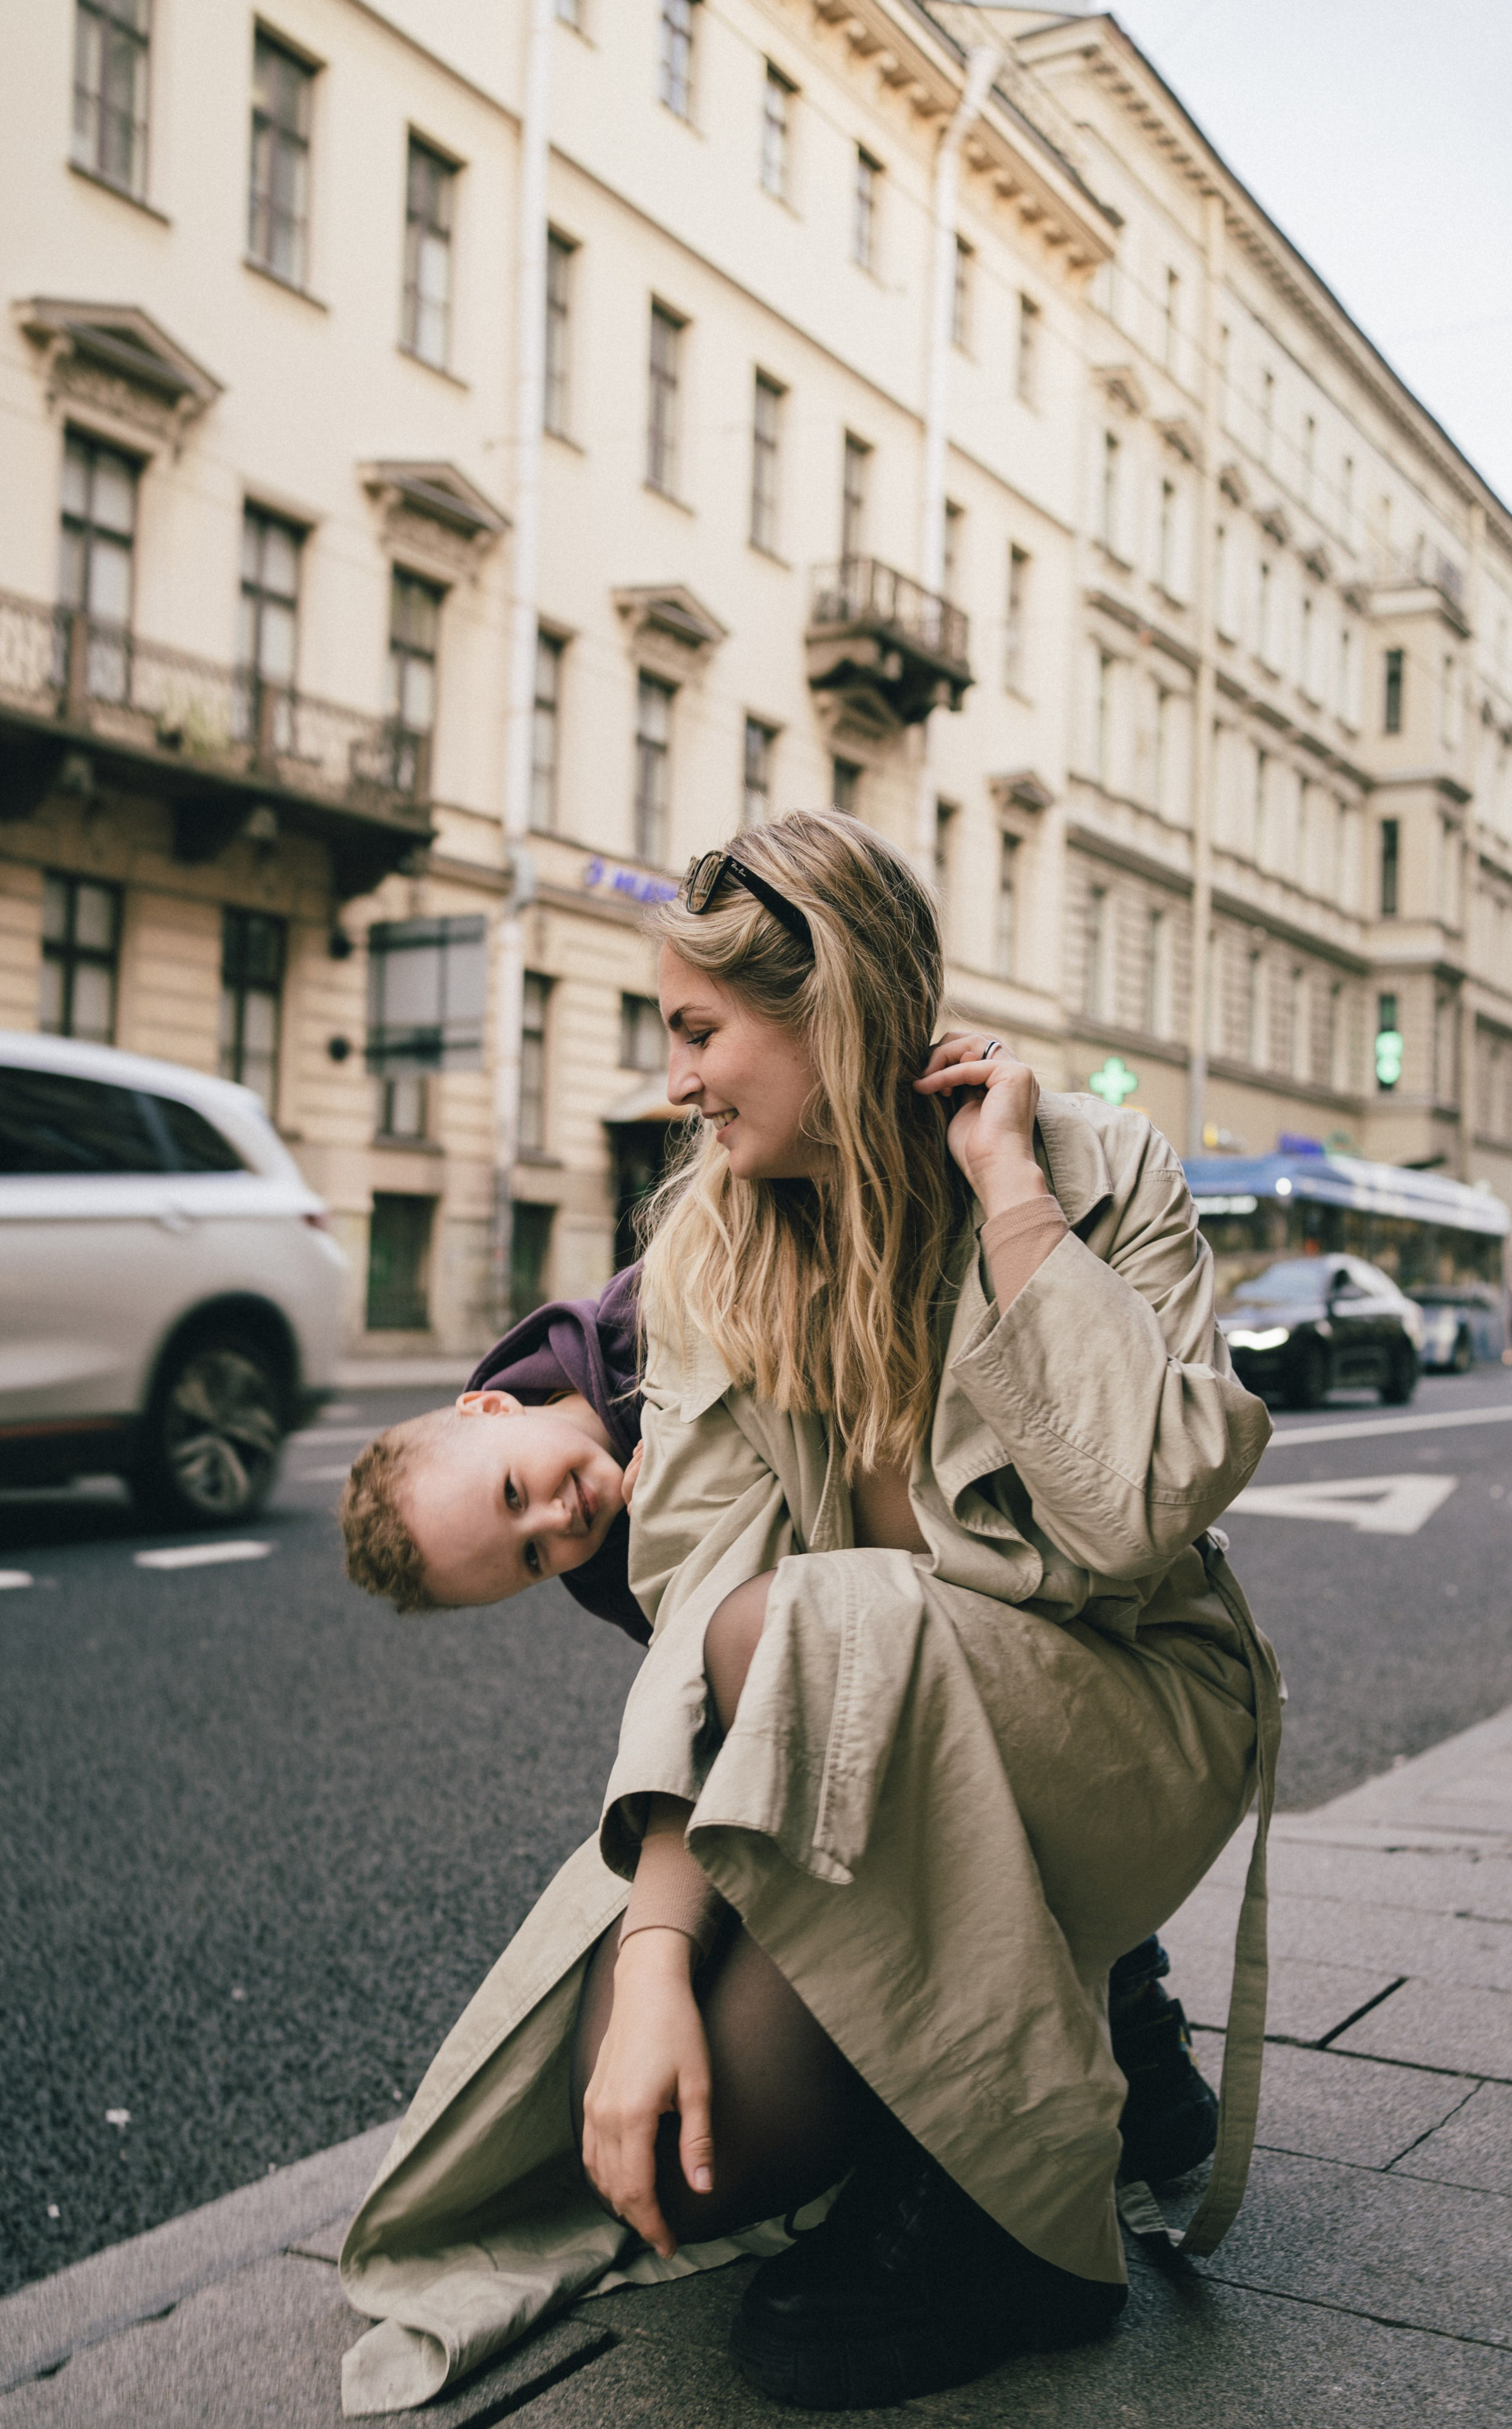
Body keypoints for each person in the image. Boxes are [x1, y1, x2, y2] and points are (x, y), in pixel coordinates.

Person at [338, 811, 1280, 2419]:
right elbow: (695, 1588)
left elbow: (1127, 1519)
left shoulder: (1094, 1169)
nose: (679, 1081)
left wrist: (1007, 1201)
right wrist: (647, 1964)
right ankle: (1001, 2096)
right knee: (677, 2149)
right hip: (894, 1741)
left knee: (796, 1626)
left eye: (698, 1032)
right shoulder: (710, 1247)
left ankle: (1015, 2233)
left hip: (1129, 1728)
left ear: (828, 1004)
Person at [340, 1272, 1221, 2196]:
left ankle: (1097, 2034)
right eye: (531, 1558)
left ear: (488, 1406)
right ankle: (1072, 2042)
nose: (561, 1523)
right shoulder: (606, 1555)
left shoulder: (650, 1313)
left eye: (516, 1492)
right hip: (856, 1673)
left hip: (998, 1595)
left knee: (875, 1795)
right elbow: (708, 1689)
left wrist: (693, 1475)